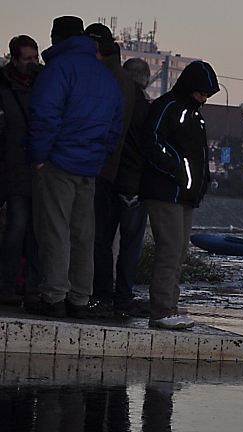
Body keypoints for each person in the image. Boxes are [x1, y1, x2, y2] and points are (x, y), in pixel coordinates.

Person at [26, 16, 123, 318]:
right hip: (89, 167)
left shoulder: (59, 69)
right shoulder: (105, 75)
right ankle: (80, 298)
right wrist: (98, 157)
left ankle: (54, 296)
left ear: (57, 38)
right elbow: (114, 127)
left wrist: (40, 157)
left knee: (55, 229)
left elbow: (44, 115)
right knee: (83, 234)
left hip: (58, 162)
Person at [140, 61, 219, 329]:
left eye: (207, 93)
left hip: (184, 195)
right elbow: (151, 142)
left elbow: (198, 155)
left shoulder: (194, 114)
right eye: (201, 92)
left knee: (179, 251)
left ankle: (169, 306)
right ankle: (162, 309)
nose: (204, 98)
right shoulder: (168, 107)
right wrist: (176, 169)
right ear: (190, 87)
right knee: (170, 250)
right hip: (166, 191)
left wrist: (201, 180)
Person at [85, 23, 138, 316]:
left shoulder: (106, 79)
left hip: (100, 169)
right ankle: (106, 294)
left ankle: (99, 294)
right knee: (105, 239)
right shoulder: (124, 82)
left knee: (97, 237)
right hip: (113, 172)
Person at [0, 35, 42, 305]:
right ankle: (9, 285)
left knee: (31, 230)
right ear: (14, 59)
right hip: (14, 167)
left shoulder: (42, 82)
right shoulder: (5, 86)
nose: (32, 64)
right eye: (27, 59)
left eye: (34, 58)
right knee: (18, 227)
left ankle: (26, 286)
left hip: (34, 167)